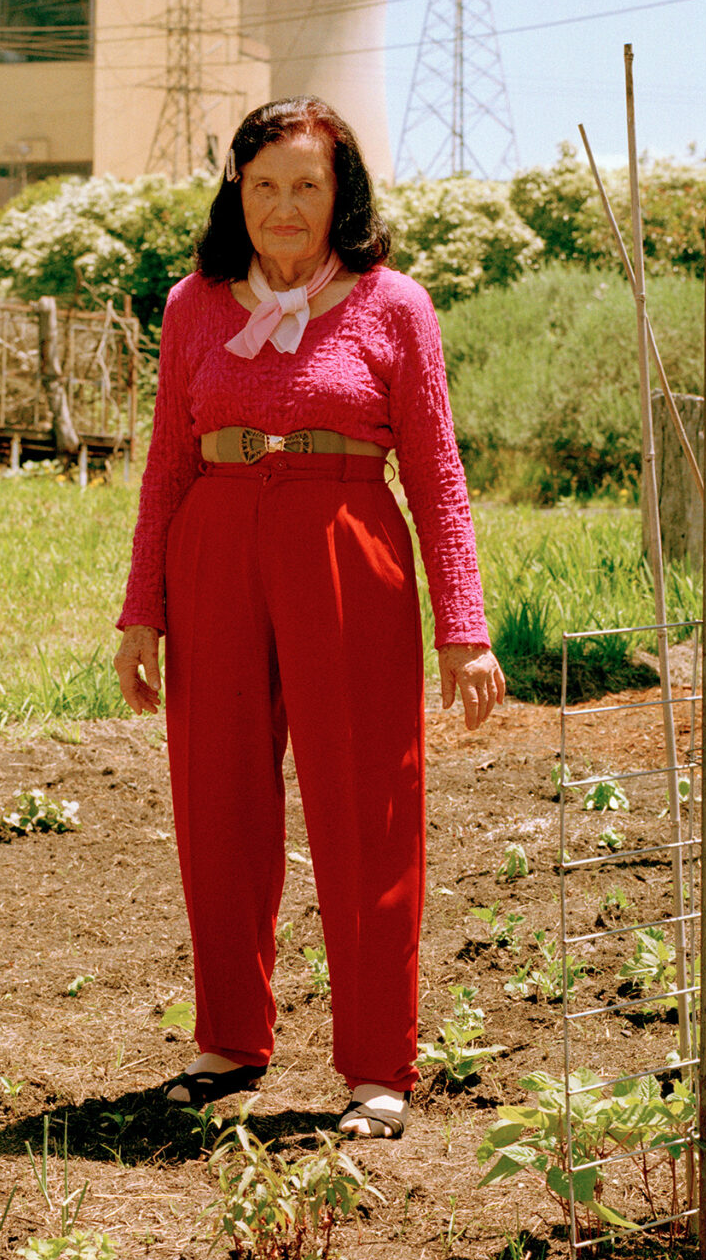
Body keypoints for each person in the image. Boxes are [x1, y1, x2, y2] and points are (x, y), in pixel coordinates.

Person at [114, 96, 504, 1141]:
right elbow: (166, 466)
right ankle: (229, 1042)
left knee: (366, 805)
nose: (283, 206)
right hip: (214, 547)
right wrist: (139, 609)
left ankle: (377, 1066)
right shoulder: (194, 306)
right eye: (262, 184)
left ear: (342, 195)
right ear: (234, 194)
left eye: (306, 184)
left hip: (347, 545)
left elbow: (435, 472)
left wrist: (462, 626)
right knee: (216, 794)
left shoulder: (392, 307)